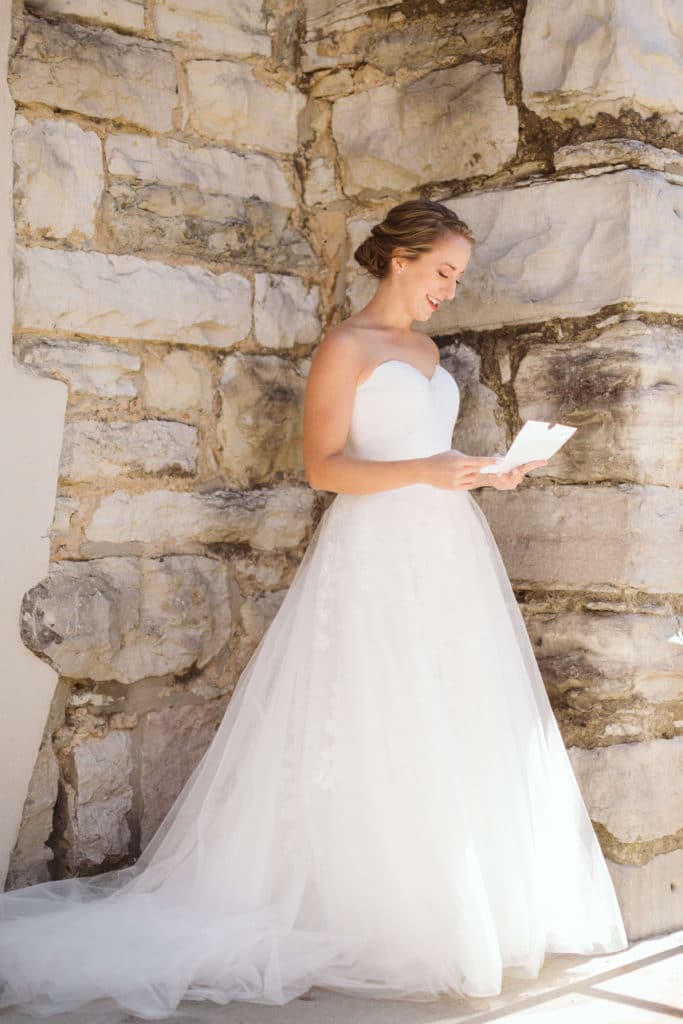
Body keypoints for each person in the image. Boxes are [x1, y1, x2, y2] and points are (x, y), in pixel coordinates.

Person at [0, 199, 628, 1019]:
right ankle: (360, 907)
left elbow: (424, 457)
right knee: (369, 712)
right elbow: (326, 469)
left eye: (457, 277)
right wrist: (429, 473)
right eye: (442, 270)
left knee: (450, 716)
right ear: (399, 258)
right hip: (372, 554)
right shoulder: (346, 345)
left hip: (446, 553)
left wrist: (477, 471)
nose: (449, 288)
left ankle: (446, 904)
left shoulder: (429, 351)